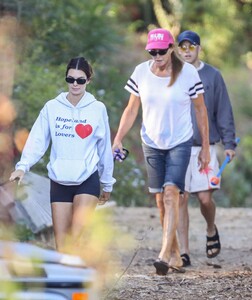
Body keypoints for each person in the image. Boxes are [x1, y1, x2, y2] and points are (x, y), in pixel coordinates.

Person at [112, 28, 210, 275]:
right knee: (160, 202)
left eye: (161, 51)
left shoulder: (187, 74)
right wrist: (118, 139)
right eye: (152, 51)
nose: (156, 55)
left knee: (170, 195)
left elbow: (200, 111)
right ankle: (175, 254)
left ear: (171, 48)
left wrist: (205, 148)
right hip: (152, 142)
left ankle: (164, 254)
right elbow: (132, 109)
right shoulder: (141, 72)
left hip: (180, 141)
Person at [9, 57, 116, 251]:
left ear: (88, 80)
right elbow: (37, 140)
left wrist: (107, 181)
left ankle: (82, 275)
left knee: (75, 238)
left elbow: (104, 148)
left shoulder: (97, 109)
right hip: (59, 181)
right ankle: (71, 279)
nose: (75, 84)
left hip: (87, 179)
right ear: (66, 79)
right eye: (71, 79)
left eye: (80, 80)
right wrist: (22, 167)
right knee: (62, 247)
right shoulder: (52, 107)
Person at [175, 31, 237, 267]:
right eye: (183, 48)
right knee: (181, 198)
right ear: (178, 50)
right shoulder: (173, 74)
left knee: (204, 198)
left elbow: (223, 110)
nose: (187, 51)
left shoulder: (213, 75)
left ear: (199, 48)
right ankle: (184, 251)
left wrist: (229, 143)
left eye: (191, 47)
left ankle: (211, 228)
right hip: (178, 147)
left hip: (206, 147)